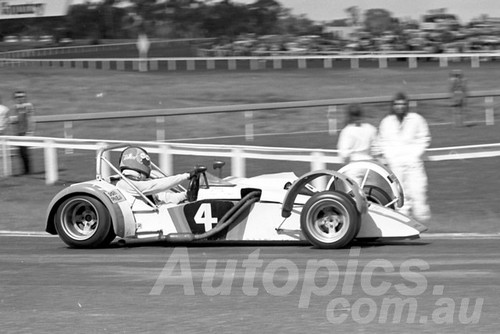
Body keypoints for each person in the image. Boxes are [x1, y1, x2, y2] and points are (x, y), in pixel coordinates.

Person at [377, 92, 431, 222]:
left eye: (402, 104)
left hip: (413, 162)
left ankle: (423, 219)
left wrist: (415, 153)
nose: (400, 107)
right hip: (395, 164)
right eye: (397, 104)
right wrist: (390, 156)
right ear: (393, 106)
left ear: (407, 105)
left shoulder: (416, 119)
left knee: (418, 190)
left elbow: (424, 137)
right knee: (400, 193)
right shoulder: (387, 122)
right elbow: (381, 141)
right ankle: (403, 220)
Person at [116, 146, 195, 205]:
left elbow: (164, 197)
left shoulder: (144, 184)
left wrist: (186, 195)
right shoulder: (125, 184)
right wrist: (186, 176)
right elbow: (155, 185)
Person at [10, 91, 36, 174]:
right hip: (18, 132)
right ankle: (24, 170)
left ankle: (28, 170)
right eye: (17, 97)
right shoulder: (15, 107)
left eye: (21, 97)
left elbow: (30, 119)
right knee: (20, 152)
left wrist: (30, 131)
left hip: (25, 132)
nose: (19, 99)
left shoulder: (28, 106)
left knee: (25, 152)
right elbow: (15, 119)